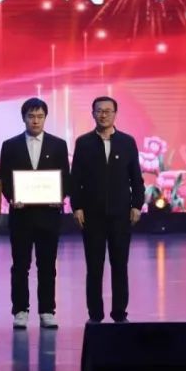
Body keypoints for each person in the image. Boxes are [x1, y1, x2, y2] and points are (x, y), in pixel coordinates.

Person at [70, 96, 144, 324]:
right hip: (92, 216)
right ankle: (95, 315)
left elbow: (136, 178)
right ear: (93, 114)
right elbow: (76, 179)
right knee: (94, 267)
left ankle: (120, 314)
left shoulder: (127, 142)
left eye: (108, 111)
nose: (103, 115)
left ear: (115, 114)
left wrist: (137, 205)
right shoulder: (83, 143)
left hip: (121, 215)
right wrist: (77, 206)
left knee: (120, 265)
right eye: (99, 111)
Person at [0, 97, 70, 329]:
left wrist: (59, 195)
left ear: (45, 118)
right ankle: (20, 310)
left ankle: (47, 311)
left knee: (47, 265)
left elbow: (65, 177)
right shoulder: (10, 145)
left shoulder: (58, 145)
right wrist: (12, 198)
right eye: (31, 116)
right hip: (21, 216)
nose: (35, 121)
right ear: (24, 118)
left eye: (40, 116)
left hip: (49, 216)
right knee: (20, 265)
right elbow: (5, 179)